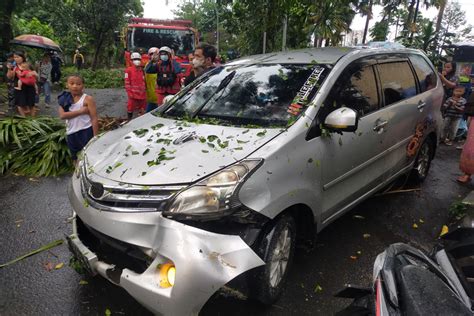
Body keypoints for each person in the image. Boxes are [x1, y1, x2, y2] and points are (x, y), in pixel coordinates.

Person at [58, 74, 98, 163]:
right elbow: (62, 115)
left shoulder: (88, 99)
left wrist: (95, 136)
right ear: (67, 85)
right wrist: (81, 111)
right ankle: (77, 173)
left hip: (86, 130)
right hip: (71, 132)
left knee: (88, 155)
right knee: (75, 157)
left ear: (83, 85)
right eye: (71, 83)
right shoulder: (63, 99)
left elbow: (94, 118)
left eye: (78, 84)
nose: (75, 86)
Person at [6, 52, 37, 116]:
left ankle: (32, 119)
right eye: (15, 57)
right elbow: (9, 77)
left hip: (30, 87)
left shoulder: (28, 65)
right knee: (20, 104)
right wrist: (9, 68)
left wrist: (33, 74)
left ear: (22, 57)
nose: (16, 59)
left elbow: (36, 75)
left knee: (31, 104)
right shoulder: (14, 66)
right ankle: (24, 119)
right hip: (19, 88)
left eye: (18, 57)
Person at [125, 52, 146, 121]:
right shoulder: (128, 70)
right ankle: (129, 120)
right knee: (130, 108)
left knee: (143, 109)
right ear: (131, 60)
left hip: (142, 94)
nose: (137, 61)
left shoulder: (142, 70)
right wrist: (130, 93)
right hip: (133, 95)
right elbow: (127, 83)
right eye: (134, 59)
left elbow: (144, 82)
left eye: (138, 59)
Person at [144, 47, 159, 112]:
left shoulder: (160, 65)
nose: (153, 56)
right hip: (150, 96)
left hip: (158, 95)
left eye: (155, 54)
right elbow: (147, 70)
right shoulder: (148, 65)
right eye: (151, 54)